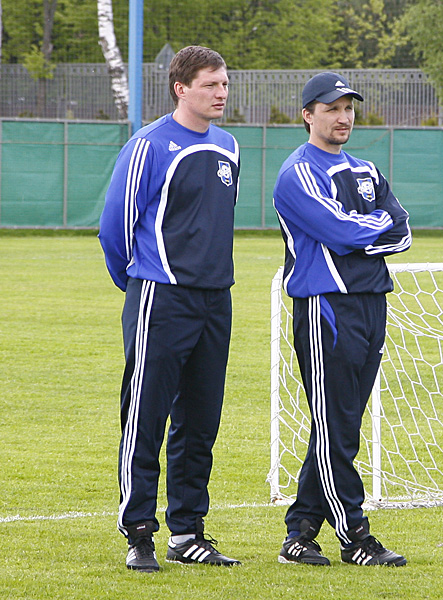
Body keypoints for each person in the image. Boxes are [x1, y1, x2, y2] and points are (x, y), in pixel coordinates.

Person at [98, 45, 241, 572]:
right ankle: (138, 533)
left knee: (200, 421)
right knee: (146, 416)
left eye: (224, 84)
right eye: (210, 85)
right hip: (161, 296)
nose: (221, 93)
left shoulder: (228, 146)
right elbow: (115, 227)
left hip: (215, 299)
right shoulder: (148, 145)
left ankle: (187, 532)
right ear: (181, 89)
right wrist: (140, 283)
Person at [272, 72, 412, 567]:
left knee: (343, 423)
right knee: (336, 425)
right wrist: (371, 228)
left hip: (373, 302)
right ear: (308, 115)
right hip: (326, 306)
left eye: (348, 107)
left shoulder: (366, 169)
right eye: (332, 108)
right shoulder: (298, 173)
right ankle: (355, 536)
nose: (343, 116)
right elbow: (339, 231)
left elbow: (402, 231)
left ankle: (299, 534)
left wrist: (363, 231)